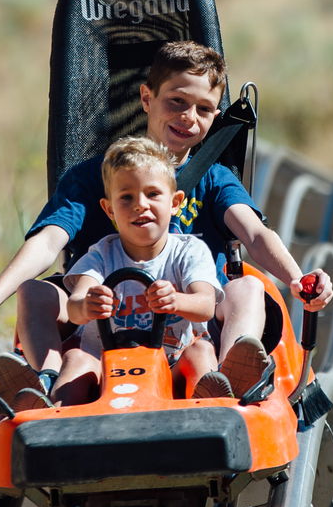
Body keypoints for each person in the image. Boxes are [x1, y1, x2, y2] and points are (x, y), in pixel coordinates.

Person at [0, 40, 333, 408]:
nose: (188, 118)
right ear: (147, 99)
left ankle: (232, 375)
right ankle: (44, 383)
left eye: (203, 109)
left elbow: (254, 234)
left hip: (192, 327)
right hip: (103, 324)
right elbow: (49, 242)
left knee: (249, 285)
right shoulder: (94, 178)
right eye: (177, 102)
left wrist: (298, 280)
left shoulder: (213, 179)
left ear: (216, 116)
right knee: (34, 291)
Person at [43, 136, 221, 406]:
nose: (140, 204)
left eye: (152, 194)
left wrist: (177, 300)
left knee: (201, 350)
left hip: (171, 368)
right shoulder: (101, 255)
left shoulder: (189, 251)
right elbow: (75, 307)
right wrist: (89, 304)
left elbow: (206, 305)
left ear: (175, 202)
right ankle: (54, 418)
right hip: (105, 373)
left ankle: (215, 411)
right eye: (126, 197)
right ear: (109, 209)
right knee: (77, 359)